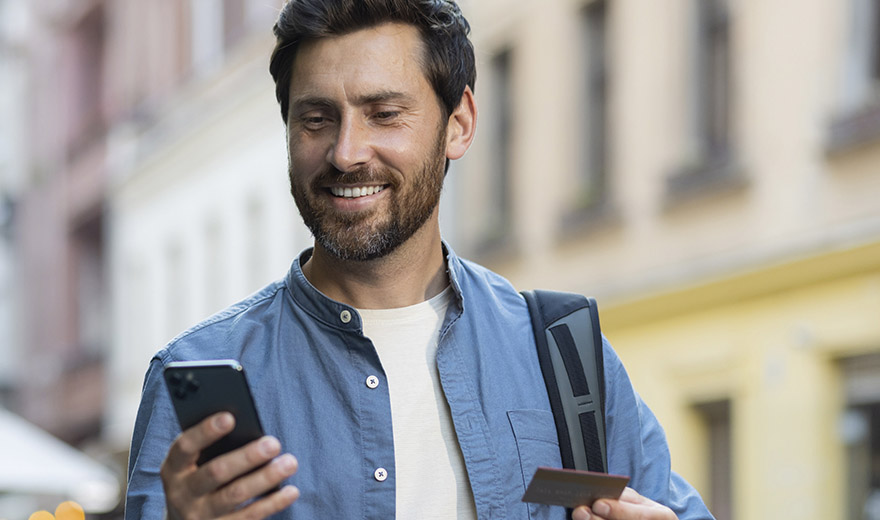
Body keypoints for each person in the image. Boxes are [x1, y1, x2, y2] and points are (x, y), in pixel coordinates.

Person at [125, 1, 714, 519]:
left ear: (458, 126)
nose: (347, 152)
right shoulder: (200, 372)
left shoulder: (564, 354)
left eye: (384, 114)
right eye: (316, 119)